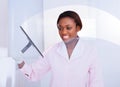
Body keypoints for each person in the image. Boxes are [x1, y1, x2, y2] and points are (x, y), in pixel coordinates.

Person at [17, 10, 104, 87]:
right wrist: (20, 62)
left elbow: (96, 83)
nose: (63, 32)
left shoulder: (90, 52)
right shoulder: (52, 51)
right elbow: (33, 74)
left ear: (78, 28)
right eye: (60, 28)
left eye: (68, 28)